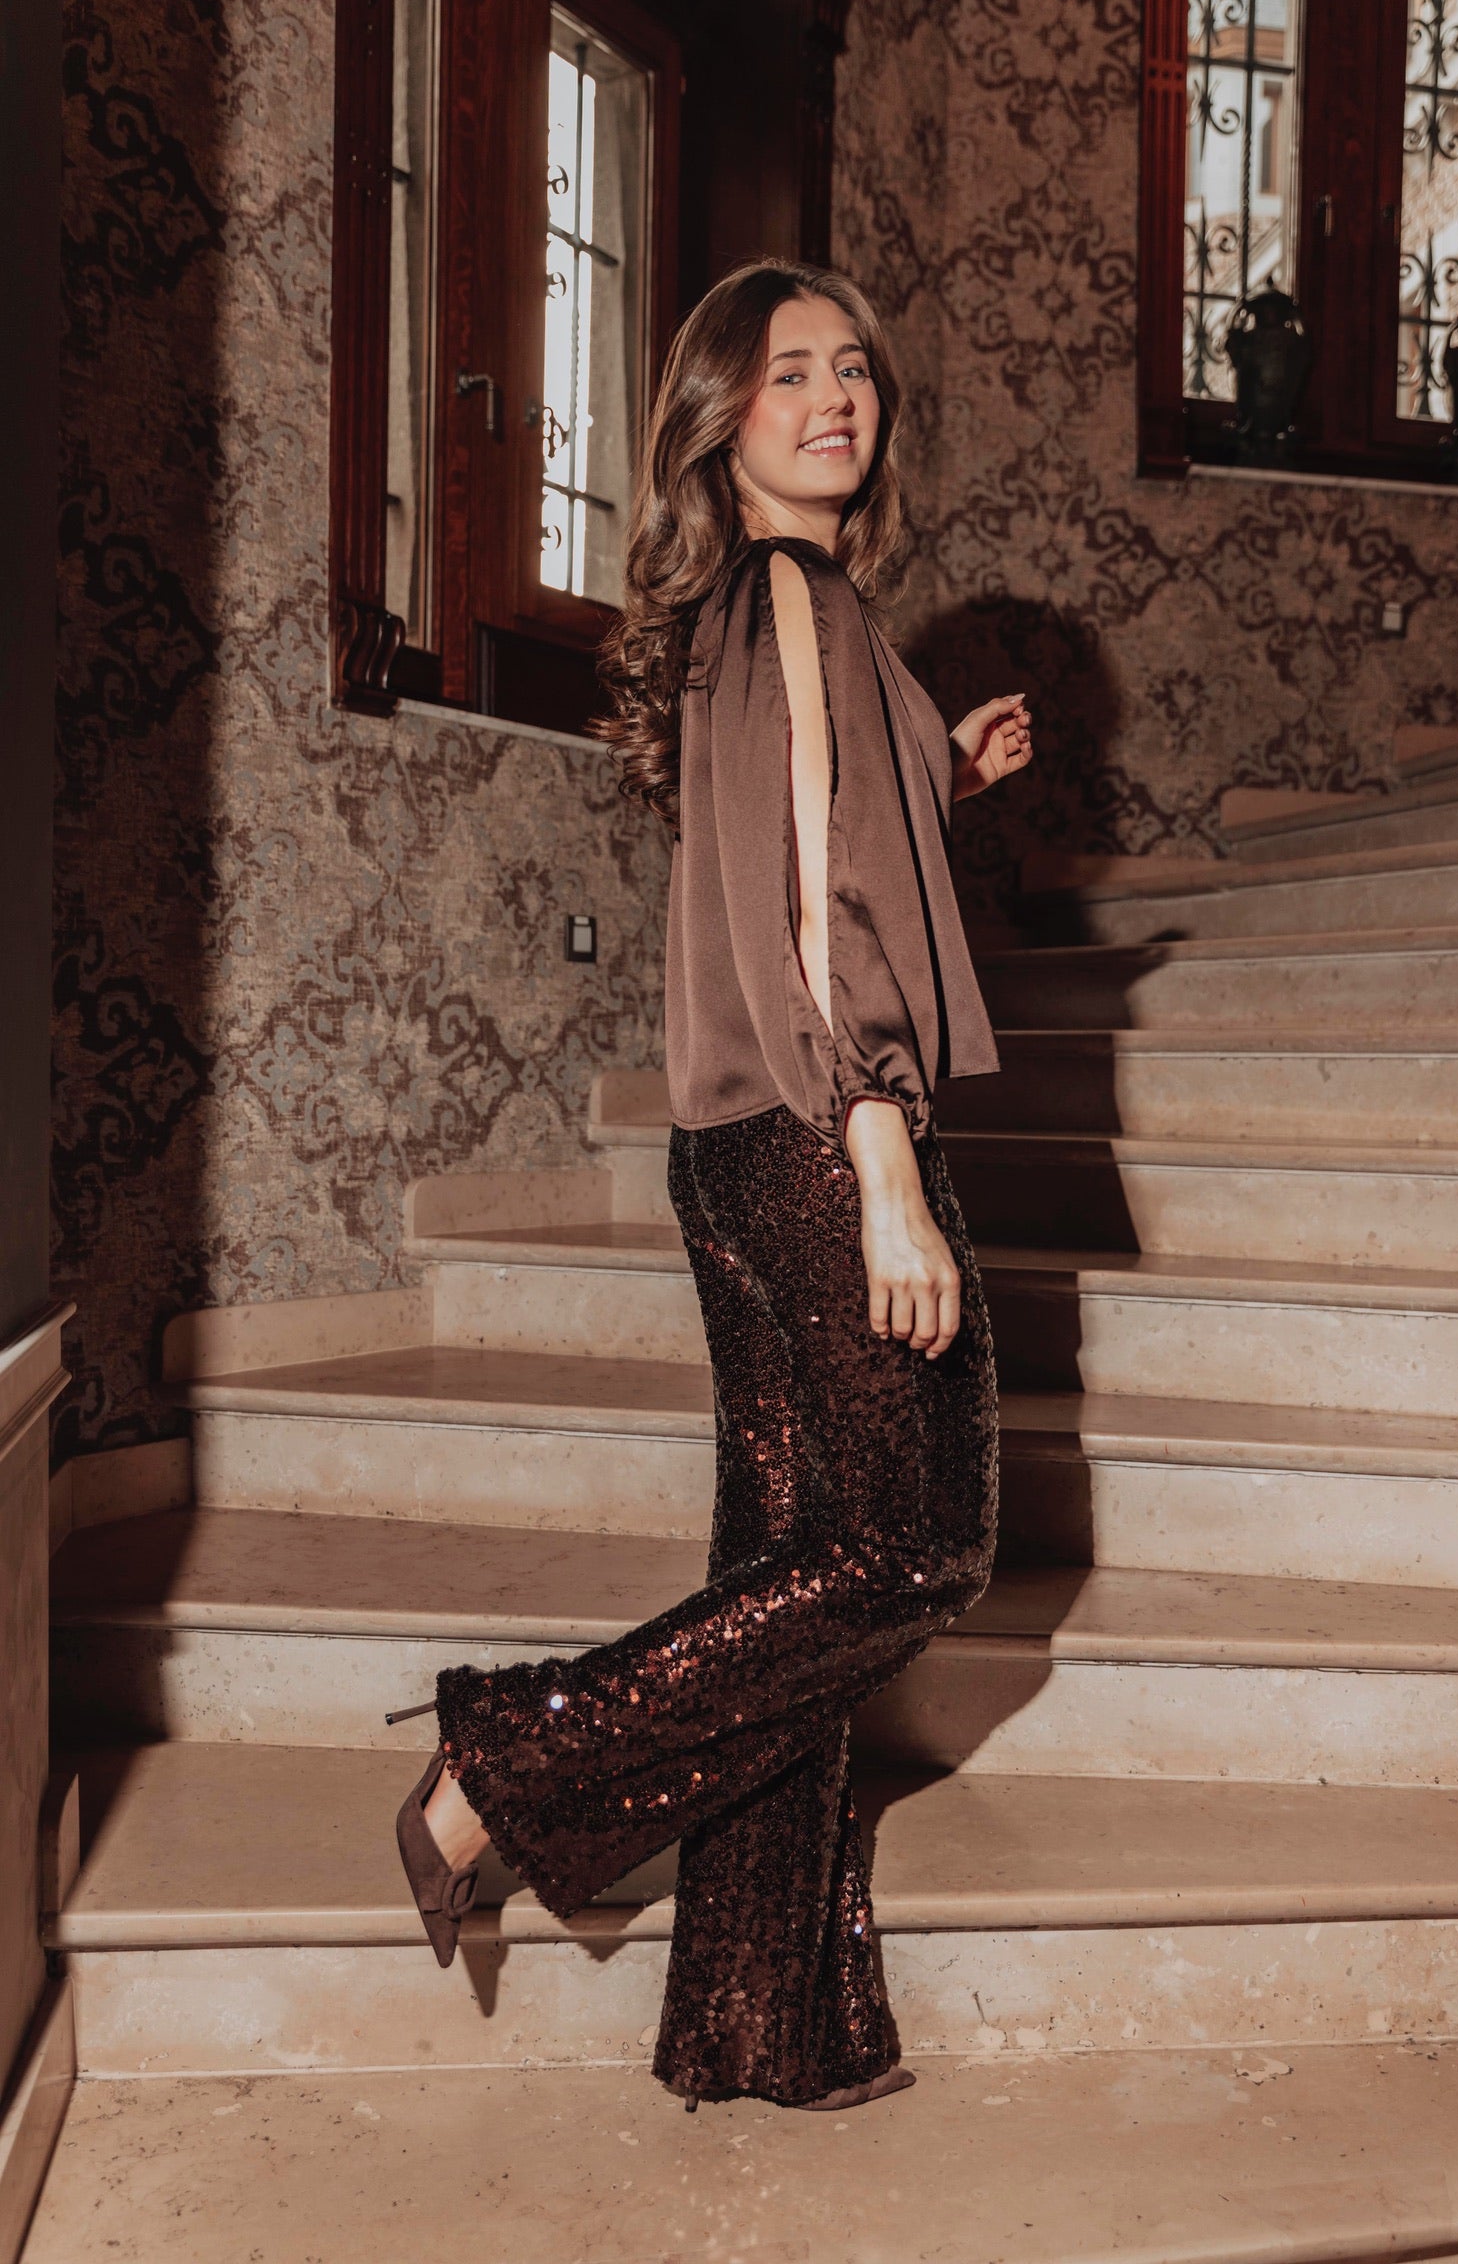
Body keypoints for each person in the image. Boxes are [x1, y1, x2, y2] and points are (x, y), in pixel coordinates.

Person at [393, 258, 1033, 2112]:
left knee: (786, 1576)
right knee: (915, 1544)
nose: (836, 399)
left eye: (855, 371)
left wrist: (944, 772)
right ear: (721, 419)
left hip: (730, 1150)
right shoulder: (795, 597)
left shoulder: (759, 615)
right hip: (820, 1141)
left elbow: (803, 843)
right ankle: (504, 1766)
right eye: (789, 374)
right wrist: (882, 1146)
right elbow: (817, 903)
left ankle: (760, 2023)